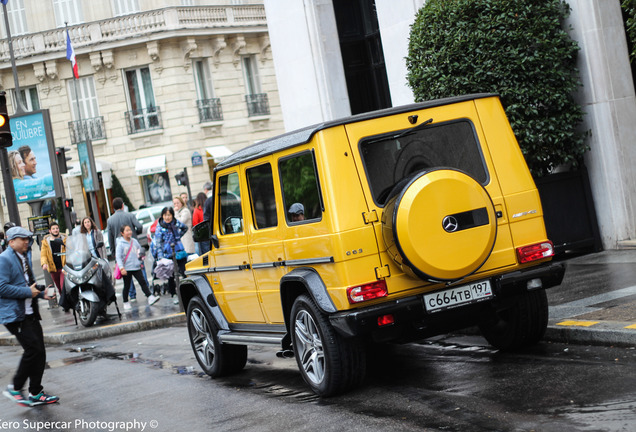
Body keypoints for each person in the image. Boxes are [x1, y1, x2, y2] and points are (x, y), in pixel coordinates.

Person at [1, 226, 59, 407]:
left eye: (27, 238)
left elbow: (31, 286)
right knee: (32, 350)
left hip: (30, 311)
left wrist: (42, 294)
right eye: (22, 239)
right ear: (11, 242)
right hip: (15, 315)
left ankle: (36, 392)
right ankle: (15, 387)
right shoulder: (4, 260)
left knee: (40, 352)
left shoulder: (23, 257)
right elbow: (1, 288)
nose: (26, 241)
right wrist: (29, 291)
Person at [115, 225, 159, 311]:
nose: (129, 232)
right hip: (126, 269)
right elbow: (118, 257)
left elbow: (140, 251)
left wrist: (140, 260)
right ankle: (125, 302)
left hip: (136, 267)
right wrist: (121, 268)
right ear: (122, 233)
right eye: (127, 230)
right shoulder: (120, 244)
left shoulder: (134, 241)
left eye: (130, 230)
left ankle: (150, 297)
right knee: (127, 286)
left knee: (142, 282)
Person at [153, 207, 187, 304]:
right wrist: (160, 258)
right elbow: (158, 243)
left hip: (179, 251)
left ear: (172, 215)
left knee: (184, 272)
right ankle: (174, 294)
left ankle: (186, 292)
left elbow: (185, 227)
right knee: (170, 276)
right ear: (162, 216)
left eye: (169, 215)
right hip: (168, 255)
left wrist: (178, 237)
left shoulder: (176, 223)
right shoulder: (160, 227)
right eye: (165, 215)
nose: (167, 217)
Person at [40, 222, 66, 295]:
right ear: (50, 231)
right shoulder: (46, 242)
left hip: (64, 267)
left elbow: (71, 249)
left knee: (62, 285)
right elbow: (43, 255)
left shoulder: (64, 239)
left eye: (57, 228)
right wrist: (44, 263)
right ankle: (65, 304)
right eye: (53, 229)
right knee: (59, 288)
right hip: (53, 269)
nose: (55, 230)